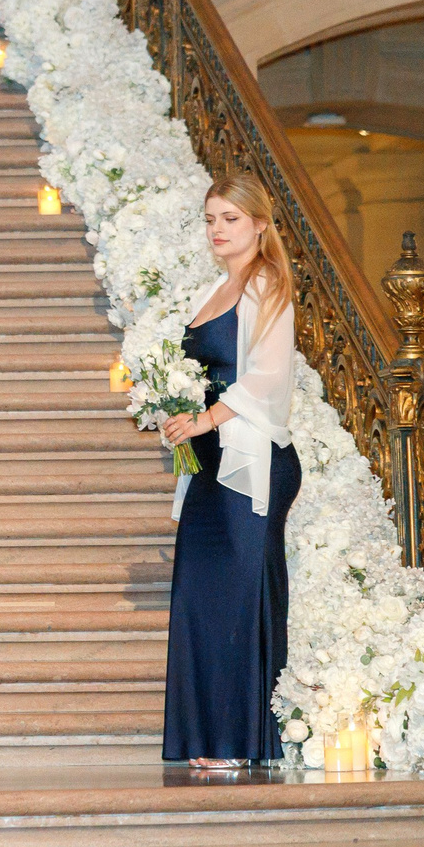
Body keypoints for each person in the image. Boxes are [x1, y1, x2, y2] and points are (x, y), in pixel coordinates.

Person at [158, 173, 300, 770]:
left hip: (253, 464)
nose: (218, 229)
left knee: (240, 598)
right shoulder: (214, 289)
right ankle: (208, 738)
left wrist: (206, 418)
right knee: (199, 595)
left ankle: (239, 742)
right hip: (211, 465)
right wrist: (171, 409)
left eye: (230, 219)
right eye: (211, 219)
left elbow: (267, 376)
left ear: (260, 224)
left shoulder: (266, 283)